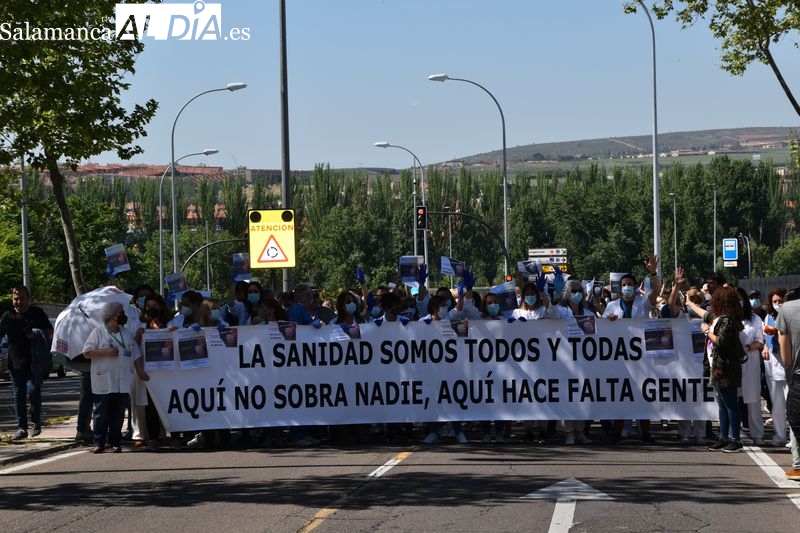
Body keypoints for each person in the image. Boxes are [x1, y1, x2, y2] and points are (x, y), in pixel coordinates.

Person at [602, 256, 661, 444]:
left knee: (643, 395)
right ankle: (617, 432)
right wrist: (608, 321)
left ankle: (645, 432)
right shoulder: (611, 306)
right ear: (620, 287)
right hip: (619, 358)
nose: (626, 286)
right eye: (624, 284)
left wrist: (653, 273)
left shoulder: (642, 302)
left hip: (641, 357)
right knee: (621, 394)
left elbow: (657, 290)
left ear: (635, 287)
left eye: (630, 284)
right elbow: (602, 330)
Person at [82, 301, 148, 453]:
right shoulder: (98, 332)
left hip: (123, 379)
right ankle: (98, 442)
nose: (123, 316)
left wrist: (140, 371)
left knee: (118, 414)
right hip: (104, 379)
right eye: (120, 313)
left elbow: (136, 353)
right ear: (111, 316)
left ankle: (115, 442)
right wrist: (106, 352)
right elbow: (87, 352)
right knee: (101, 413)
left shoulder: (125, 333)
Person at [0, 286, 52, 440]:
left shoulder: (37, 313)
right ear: (12, 299)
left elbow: (49, 331)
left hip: (34, 360)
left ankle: (36, 422)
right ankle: (21, 428)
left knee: (34, 391)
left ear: (28, 299)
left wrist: (36, 333)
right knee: (19, 395)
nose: (19, 302)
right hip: (15, 361)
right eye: (16, 299)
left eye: (22, 298)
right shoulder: (8, 316)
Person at [701, 286, 747, 453]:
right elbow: (703, 314)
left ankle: (735, 439)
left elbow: (721, 342)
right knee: (721, 404)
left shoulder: (727, 320)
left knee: (730, 404)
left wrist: (706, 331)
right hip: (717, 367)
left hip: (726, 368)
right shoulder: (718, 317)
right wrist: (690, 303)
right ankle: (723, 437)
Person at [549, 279, 594, 445]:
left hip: (584, 361)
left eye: (579, 290)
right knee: (567, 397)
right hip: (565, 360)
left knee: (582, 398)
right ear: (566, 293)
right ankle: (568, 432)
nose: (576, 293)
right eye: (573, 290)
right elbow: (551, 315)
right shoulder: (561, 310)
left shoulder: (588, 312)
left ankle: (580, 432)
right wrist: (555, 297)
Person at [736, 286, 765, 445]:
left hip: (750, 360)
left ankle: (757, 434)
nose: (738, 302)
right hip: (732, 363)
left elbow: (760, 341)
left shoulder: (755, 319)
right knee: (732, 399)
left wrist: (746, 348)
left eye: (740, 299)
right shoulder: (727, 318)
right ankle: (733, 433)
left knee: (753, 399)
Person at [777, 287, 800, 480]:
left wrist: (789, 370)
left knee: (795, 420)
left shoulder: (787, 309)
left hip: (798, 375)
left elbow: (786, 356)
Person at [763, 288, 788, 447]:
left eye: (781, 301)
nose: (778, 304)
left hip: (788, 363)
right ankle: (780, 435)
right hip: (772, 362)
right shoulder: (768, 318)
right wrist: (765, 346)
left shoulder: (791, 317)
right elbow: (765, 336)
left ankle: (794, 438)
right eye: (775, 302)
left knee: (791, 404)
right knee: (776, 404)